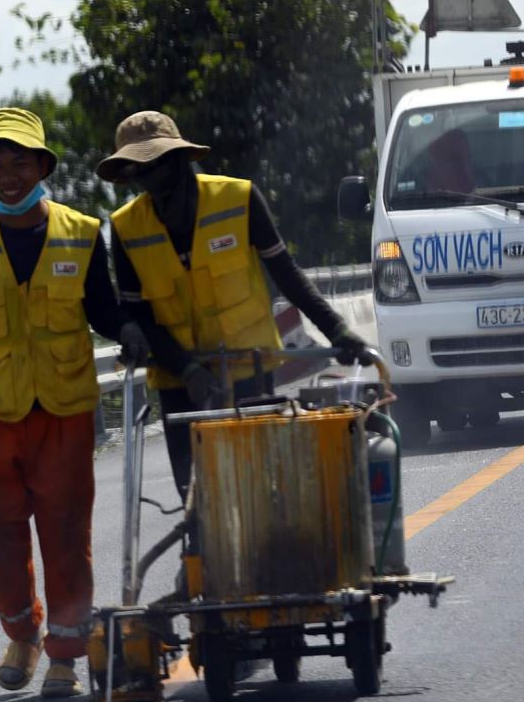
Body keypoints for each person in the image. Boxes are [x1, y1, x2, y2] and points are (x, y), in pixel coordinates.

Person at [0, 107, 150, 699]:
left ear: (44, 165)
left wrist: (129, 330)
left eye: (19, 162)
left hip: (65, 410)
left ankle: (67, 655)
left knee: (65, 532)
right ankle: (22, 634)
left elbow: (100, 309)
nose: (7, 176)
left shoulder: (80, 231)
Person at [100, 110, 369, 500]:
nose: (149, 177)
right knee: (195, 495)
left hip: (249, 366)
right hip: (178, 379)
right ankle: (199, 553)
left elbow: (286, 273)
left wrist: (337, 330)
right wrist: (188, 369)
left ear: (178, 159)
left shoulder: (238, 199)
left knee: (256, 487)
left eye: (155, 163)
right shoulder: (126, 227)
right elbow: (140, 314)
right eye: (138, 169)